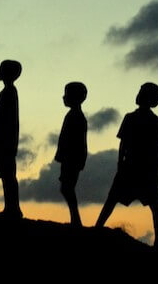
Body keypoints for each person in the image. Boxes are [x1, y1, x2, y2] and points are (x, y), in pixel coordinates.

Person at [95, 83, 158, 248]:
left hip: (143, 170)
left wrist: (155, 173)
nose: (138, 95)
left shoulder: (155, 122)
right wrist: (120, 165)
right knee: (113, 199)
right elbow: (123, 145)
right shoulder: (131, 118)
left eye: (142, 93)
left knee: (153, 204)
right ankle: (98, 227)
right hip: (131, 167)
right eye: (139, 92)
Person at [0, 60, 23, 218]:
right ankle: (10, 207)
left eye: (1, 69)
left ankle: (13, 209)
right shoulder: (8, 91)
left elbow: (8, 121)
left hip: (5, 142)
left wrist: (2, 141)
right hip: (3, 141)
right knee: (6, 174)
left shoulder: (9, 92)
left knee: (8, 175)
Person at [55, 82, 88, 226]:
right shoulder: (74, 115)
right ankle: (75, 219)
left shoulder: (76, 117)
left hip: (72, 158)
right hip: (71, 158)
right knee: (67, 188)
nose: (63, 97)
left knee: (67, 188)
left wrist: (67, 156)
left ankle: (76, 219)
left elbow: (75, 141)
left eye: (66, 94)